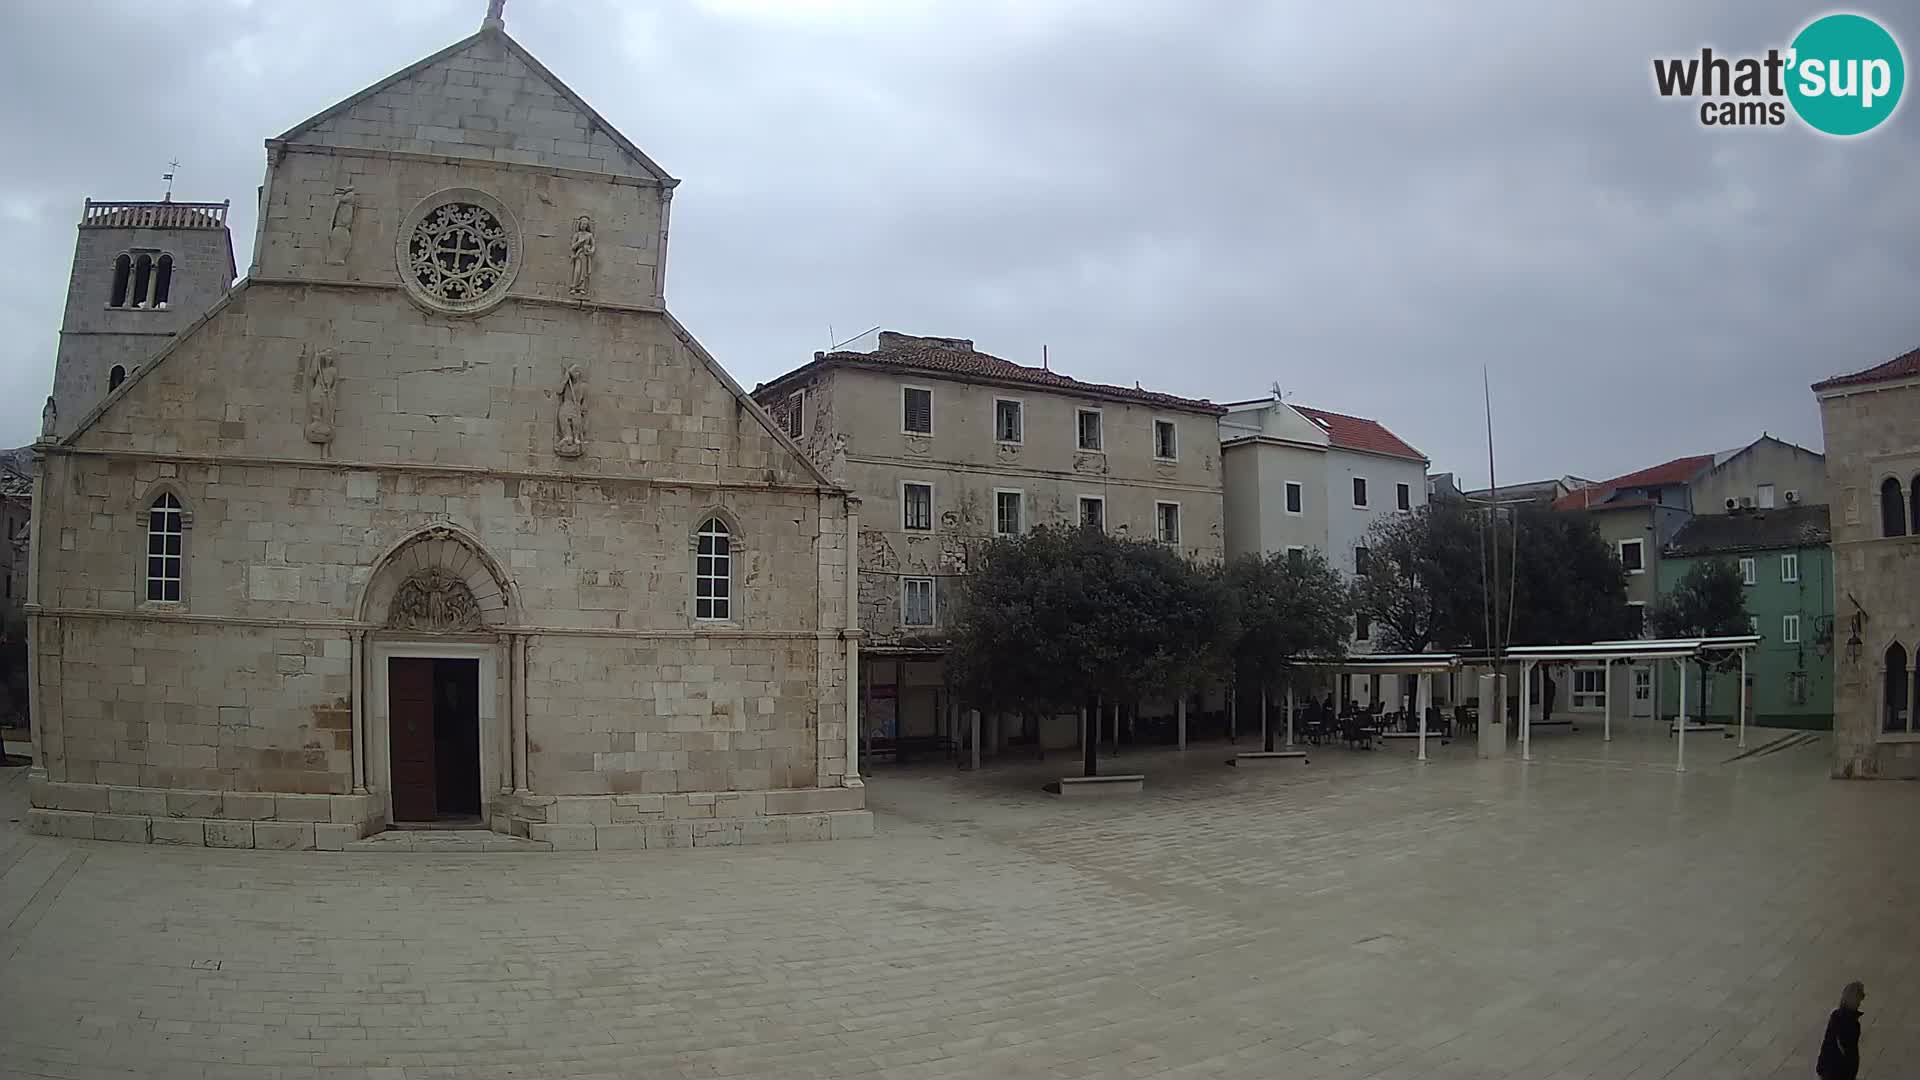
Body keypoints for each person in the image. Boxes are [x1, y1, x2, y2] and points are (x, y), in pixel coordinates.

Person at [1817, 980, 1865, 1079]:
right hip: (1839, 1074)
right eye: (1860, 997)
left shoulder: (1836, 1016)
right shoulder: (1849, 1023)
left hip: (1830, 1071)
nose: (1861, 1001)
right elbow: (1848, 1051)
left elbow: (1827, 1044)